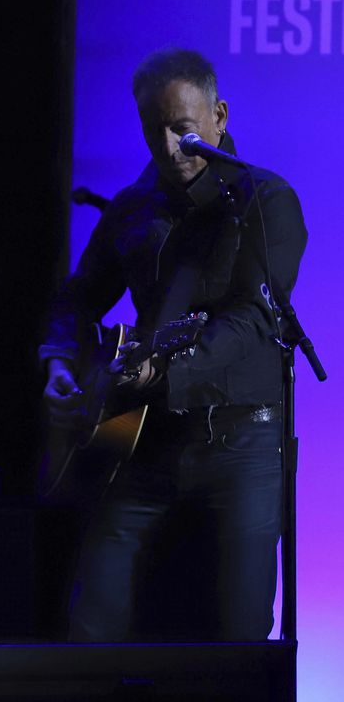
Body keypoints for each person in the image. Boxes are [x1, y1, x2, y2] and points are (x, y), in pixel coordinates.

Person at [41, 49, 307, 642]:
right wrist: (58, 362)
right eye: (153, 130)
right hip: (146, 436)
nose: (168, 148)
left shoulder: (267, 201)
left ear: (219, 116)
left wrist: (165, 367)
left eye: (182, 130)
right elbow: (76, 300)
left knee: (240, 633)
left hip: (243, 440)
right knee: (91, 617)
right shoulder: (133, 207)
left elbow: (252, 318)